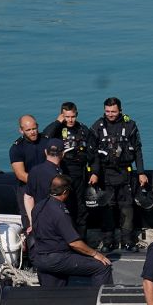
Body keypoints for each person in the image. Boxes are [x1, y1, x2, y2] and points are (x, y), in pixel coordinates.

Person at [30, 176, 114, 288]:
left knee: (52, 292)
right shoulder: (60, 212)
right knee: (102, 267)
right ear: (65, 192)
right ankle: (104, 302)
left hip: (39, 256)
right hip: (56, 258)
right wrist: (96, 254)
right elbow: (74, 243)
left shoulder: (38, 206)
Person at [91, 97, 145, 253]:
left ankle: (128, 241)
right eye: (107, 111)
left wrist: (141, 172)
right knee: (107, 209)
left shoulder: (130, 125)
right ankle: (108, 242)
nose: (110, 114)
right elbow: (93, 154)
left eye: (113, 111)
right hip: (105, 174)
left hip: (125, 173)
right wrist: (94, 173)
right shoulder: (97, 127)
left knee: (127, 208)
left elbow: (138, 150)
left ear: (120, 110)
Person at [43, 102, 97, 241]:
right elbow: (45, 137)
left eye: (73, 116)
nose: (70, 120)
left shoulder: (84, 130)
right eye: (67, 117)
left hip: (80, 175)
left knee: (81, 209)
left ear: (76, 114)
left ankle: (81, 240)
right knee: (63, 208)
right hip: (61, 174)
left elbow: (93, 154)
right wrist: (57, 122)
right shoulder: (57, 130)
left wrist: (95, 172)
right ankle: (64, 239)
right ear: (62, 115)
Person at [8, 114, 49, 225]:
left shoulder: (46, 141)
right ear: (21, 130)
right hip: (27, 188)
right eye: (28, 130)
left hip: (47, 187)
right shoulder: (17, 148)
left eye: (34, 128)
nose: (32, 132)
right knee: (28, 220)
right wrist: (39, 182)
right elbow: (20, 174)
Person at [23, 138, 64, 225]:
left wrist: (32, 221)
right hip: (55, 221)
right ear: (62, 154)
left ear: (45, 152)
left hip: (39, 219)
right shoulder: (60, 176)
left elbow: (28, 197)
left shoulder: (34, 170)